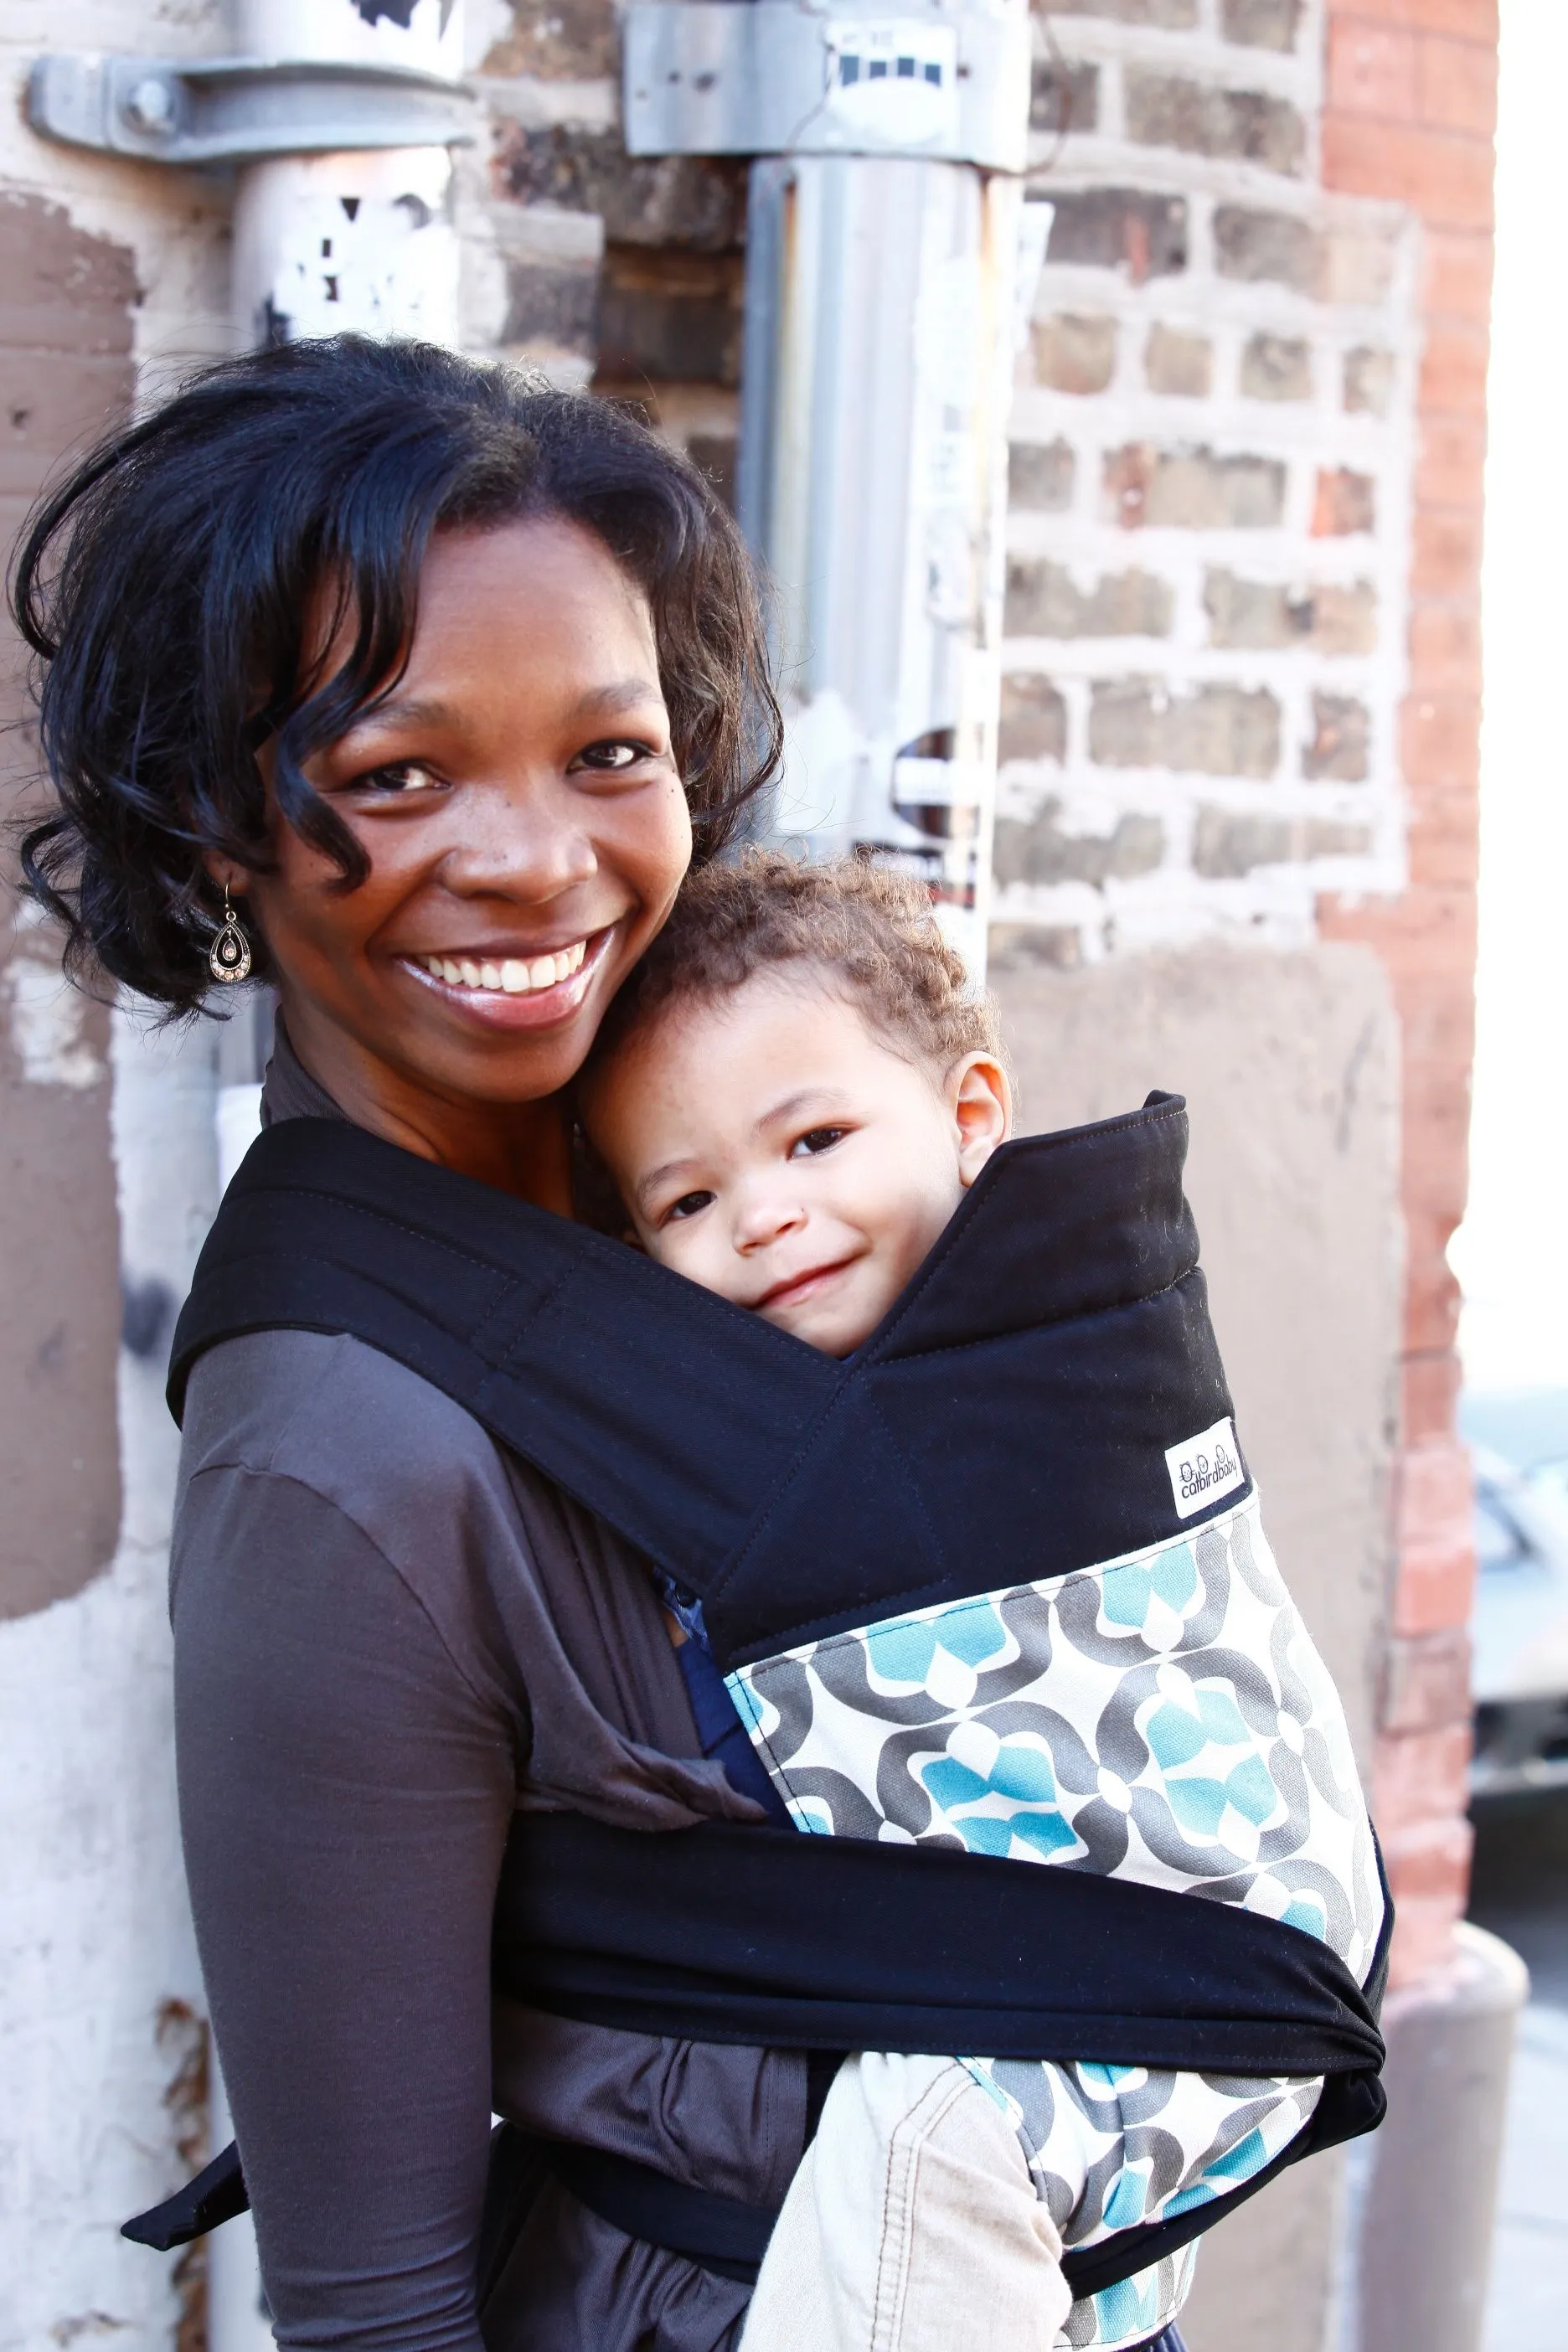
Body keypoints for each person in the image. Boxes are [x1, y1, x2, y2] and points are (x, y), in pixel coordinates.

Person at [13, 335, 800, 2352]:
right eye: (398, 775)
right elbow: (373, 2316)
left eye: (610, 755)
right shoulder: (347, 1460)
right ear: (216, 828)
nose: (540, 864)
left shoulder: (752, 1210)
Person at [575, 851, 1388, 2352]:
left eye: (814, 1138)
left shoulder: (1069, 1386)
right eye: (688, 1198)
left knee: (923, 2142)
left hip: (1119, 2021)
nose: (763, 1215)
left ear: (970, 1119)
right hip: (1054, 2116)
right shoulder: (734, 1450)